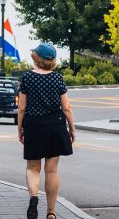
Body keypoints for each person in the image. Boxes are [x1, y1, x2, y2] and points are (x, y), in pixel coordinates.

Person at [17, 43, 75, 219]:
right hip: (55, 125)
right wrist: (71, 127)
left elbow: (21, 107)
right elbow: (66, 106)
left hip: (33, 124)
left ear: (36, 58)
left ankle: (34, 197)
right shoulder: (57, 78)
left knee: (33, 167)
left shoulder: (27, 77)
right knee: (51, 170)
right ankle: (51, 212)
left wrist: (20, 128)